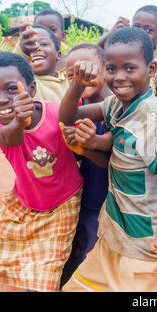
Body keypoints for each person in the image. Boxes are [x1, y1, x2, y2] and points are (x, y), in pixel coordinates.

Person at [59, 27, 157, 292]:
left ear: (151, 68)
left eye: (130, 68)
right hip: (115, 237)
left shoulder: (151, 116)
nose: (119, 77)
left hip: (145, 248)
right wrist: (77, 85)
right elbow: (68, 118)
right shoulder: (116, 105)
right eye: (111, 68)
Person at [0, 52, 85, 292]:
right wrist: (19, 121)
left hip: (63, 205)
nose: (1, 100)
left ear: (31, 89)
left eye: (12, 89)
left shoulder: (57, 113)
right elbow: (11, 139)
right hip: (23, 203)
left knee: (43, 278)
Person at [59, 44, 112, 287]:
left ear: (106, 68)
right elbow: (66, 119)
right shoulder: (80, 108)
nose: (81, 75)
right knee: (83, 249)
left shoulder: (117, 107)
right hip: (91, 197)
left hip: (113, 201)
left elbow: (115, 161)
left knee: (97, 257)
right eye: (72, 75)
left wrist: (87, 150)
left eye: (88, 69)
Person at [97, 5, 157, 106]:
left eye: (148, 30)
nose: (140, 32)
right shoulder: (122, 54)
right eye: (136, 27)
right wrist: (111, 33)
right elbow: (93, 56)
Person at [27, 25, 69, 102]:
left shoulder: (69, 83)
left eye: (44, 44)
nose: (36, 48)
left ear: (58, 55)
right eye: (30, 46)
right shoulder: (28, 83)